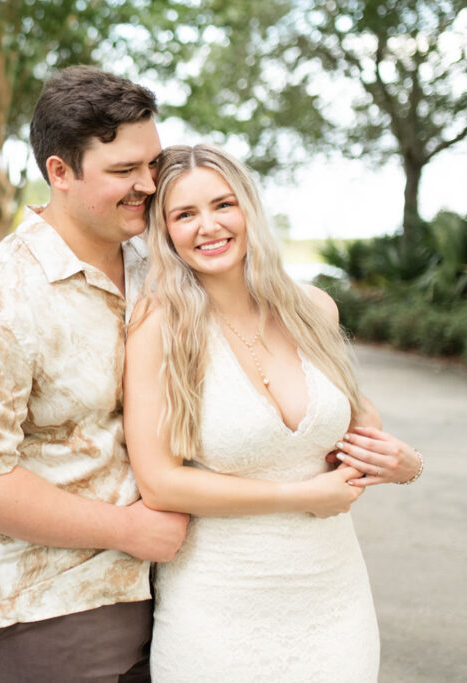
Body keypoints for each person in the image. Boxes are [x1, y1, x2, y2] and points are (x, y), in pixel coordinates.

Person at [123, 144, 424, 682]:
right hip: (216, 610)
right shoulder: (159, 327)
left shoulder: (313, 308)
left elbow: (353, 416)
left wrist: (403, 464)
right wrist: (301, 496)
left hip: (335, 603)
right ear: (164, 231)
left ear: (249, 209)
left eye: (223, 205)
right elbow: (161, 484)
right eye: (184, 214)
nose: (208, 226)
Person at [0, 66, 189, 682]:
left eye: (152, 165)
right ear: (60, 173)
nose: (149, 186)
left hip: (166, 591)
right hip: (45, 607)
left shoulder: (158, 263)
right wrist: (129, 529)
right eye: (124, 172)